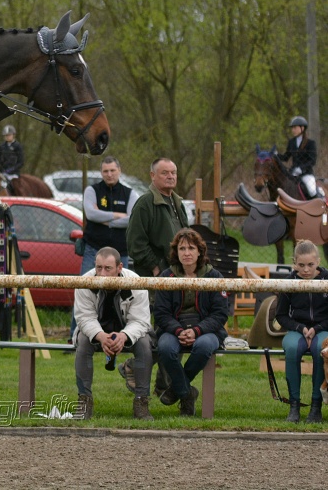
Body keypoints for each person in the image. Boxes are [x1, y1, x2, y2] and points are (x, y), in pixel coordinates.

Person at [153, 228, 229, 416]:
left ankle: (176, 389)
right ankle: (187, 394)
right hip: (173, 329)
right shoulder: (166, 276)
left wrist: (196, 331)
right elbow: (161, 313)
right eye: (182, 248)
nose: (186, 253)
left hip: (206, 330)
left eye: (191, 248)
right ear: (176, 252)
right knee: (165, 348)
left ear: (199, 251)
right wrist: (178, 331)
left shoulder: (214, 276)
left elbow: (220, 314)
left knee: (204, 347)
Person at [73, 247, 154, 420]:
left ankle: (141, 402)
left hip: (128, 329)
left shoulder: (136, 282)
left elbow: (141, 321)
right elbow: (84, 318)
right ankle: (84, 400)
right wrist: (101, 336)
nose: (102, 274)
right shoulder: (85, 282)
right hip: (97, 330)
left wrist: (124, 336)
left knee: (145, 344)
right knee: (82, 341)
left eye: (108, 268)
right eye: (98, 268)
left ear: (119, 268)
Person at [274, 239, 328, 423]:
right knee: (291, 349)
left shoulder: (326, 279)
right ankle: (294, 406)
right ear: (294, 263)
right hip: (297, 329)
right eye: (301, 265)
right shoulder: (289, 283)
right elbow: (281, 315)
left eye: (310, 265)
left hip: (323, 328)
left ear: (318, 262)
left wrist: (316, 328)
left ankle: (316, 407)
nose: (306, 270)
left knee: (321, 350)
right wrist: (301, 328)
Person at [127, 158, 189, 278]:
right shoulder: (145, 203)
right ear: (153, 175)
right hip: (155, 278)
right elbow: (135, 244)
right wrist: (156, 268)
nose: (170, 176)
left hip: (179, 273)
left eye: (173, 173)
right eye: (164, 173)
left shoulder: (178, 203)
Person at [81, 156, 139, 274]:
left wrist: (104, 220)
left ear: (119, 171)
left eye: (112, 170)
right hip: (93, 249)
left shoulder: (130, 194)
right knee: (85, 286)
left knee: (121, 289)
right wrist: (118, 215)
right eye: (105, 171)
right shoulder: (92, 190)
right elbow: (91, 215)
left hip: (120, 252)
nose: (109, 174)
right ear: (101, 173)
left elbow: (132, 220)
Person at [278, 116, 318, 199]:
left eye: (295, 128)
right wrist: (275, 155)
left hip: (306, 174)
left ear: (302, 128)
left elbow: (312, 160)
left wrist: (301, 169)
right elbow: (286, 157)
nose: (293, 130)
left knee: (312, 190)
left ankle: (318, 207)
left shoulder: (310, 143)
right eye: (292, 128)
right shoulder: (291, 142)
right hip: (292, 174)